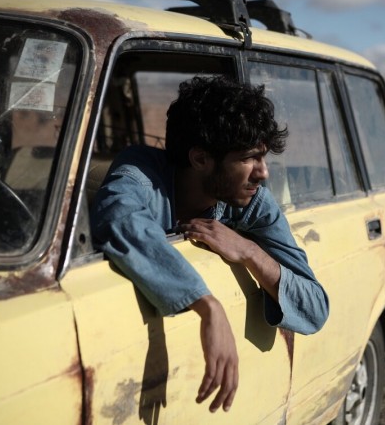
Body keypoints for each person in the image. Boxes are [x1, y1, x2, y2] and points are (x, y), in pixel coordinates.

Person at [91, 75, 329, 413]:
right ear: (201, 159)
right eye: (249, 159)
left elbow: (314, 308)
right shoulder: (140, 176)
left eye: (263, 158)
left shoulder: (253, 203)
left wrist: (249, 251)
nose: (263, 173)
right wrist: (208, 306)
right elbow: (120, 218)